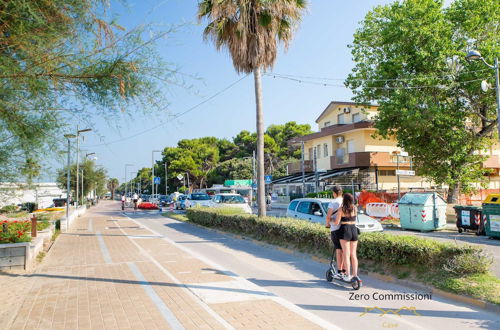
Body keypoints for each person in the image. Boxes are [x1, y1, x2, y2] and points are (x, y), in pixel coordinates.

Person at [333, 193, 359, 282]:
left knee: (346, 254)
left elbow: (336, 223)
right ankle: (355, 275)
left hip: (345, 230)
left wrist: (330, 220)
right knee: (353, 254)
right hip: (354, 230)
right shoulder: (355, 208)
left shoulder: (342, 209)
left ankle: (348, 275)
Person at [325, 186, 344, 279]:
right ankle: (344, 270)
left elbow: (328, 216)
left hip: (335, 228)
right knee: (345, 251)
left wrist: (327, 224)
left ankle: (340, 271)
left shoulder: (333, 202)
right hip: (345, 228)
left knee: (338, 250)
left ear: (335, 193)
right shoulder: (345, 201)